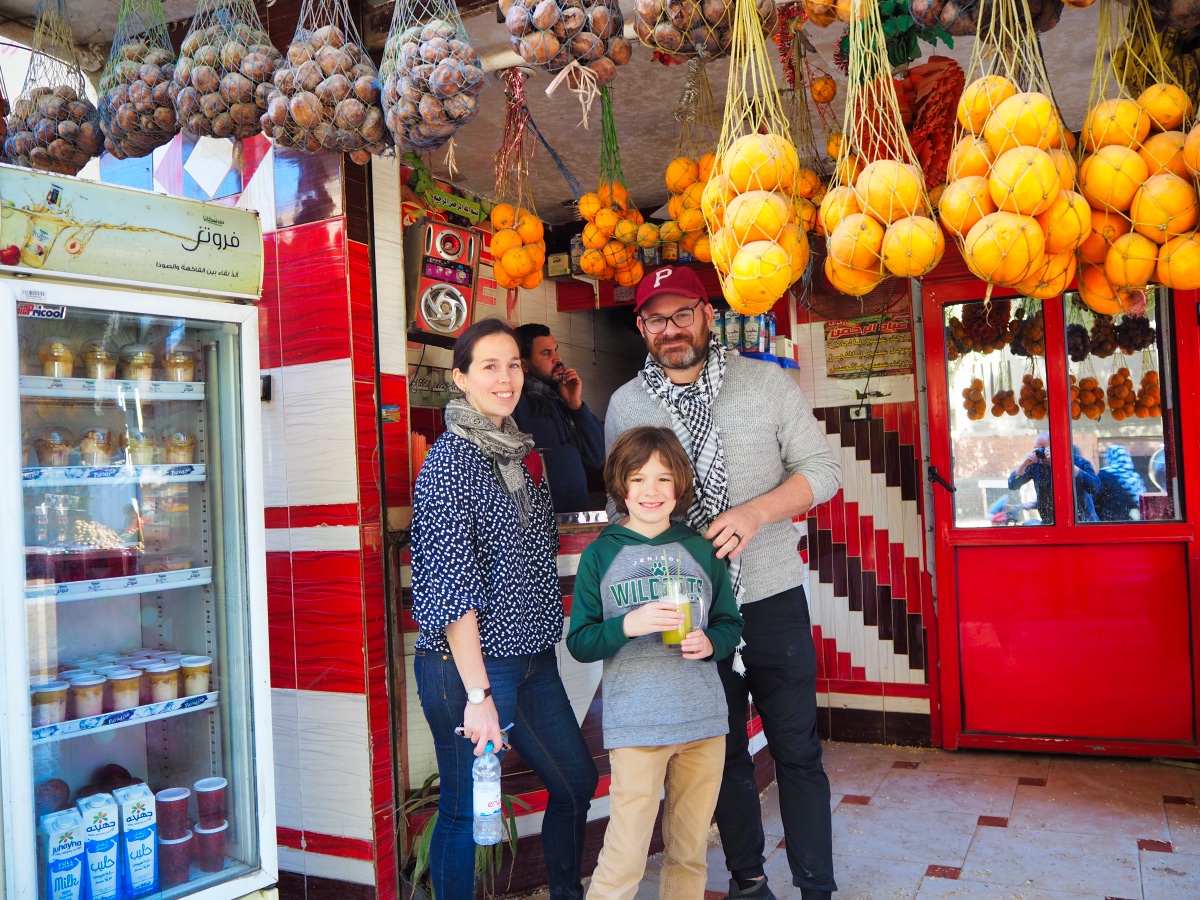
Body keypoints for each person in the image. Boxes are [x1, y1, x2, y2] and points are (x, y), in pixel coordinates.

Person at [605, 266, 843, 900]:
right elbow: (622, 512)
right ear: (641, 327)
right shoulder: (628, 405)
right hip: (692, 610)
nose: (671, 329)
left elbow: (824, 470)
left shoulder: (764, 384)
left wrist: (755, 512)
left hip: (769, 594)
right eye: (657, 319)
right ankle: (749, 881)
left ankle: (817, 888)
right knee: (725, 750)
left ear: (708, 316)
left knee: (795, 748)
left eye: (683, 314)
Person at [409, 318, 598, 900]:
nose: (506, 377)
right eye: (489, 366)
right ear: (459, 378)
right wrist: (478, 696)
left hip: (533, 658)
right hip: (469, 669)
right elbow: (449, 590)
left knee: (574, 783)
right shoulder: (450, 463)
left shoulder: (519, 451)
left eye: (514, 364)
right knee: (465, 814)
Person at [567, 427, 744, 899]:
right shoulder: (602, 554)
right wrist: (629, 624)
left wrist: (712, 643)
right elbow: (580, 642)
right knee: (624, 855)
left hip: (703, 723)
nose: (651, 491)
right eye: (639, 478)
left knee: (688, 853)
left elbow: (730, 622)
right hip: (638, 727)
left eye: (664, 479)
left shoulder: (700, 549)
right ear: (621, 485)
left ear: (679, 486)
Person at [513, 323, 606, 512]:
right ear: (524, 365)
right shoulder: (515, 402)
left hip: (576, 521)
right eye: (546, 353)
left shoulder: (559, 399)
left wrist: (576, 405)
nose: (558, 358)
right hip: (538, 527)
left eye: (555, 350)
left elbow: (597, 457)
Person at [1008, 432, 1100, 523]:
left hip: (1082, 523)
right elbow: (1012, 485)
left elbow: (1094, 487)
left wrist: (1063, 462)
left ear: (1056, 447)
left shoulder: (1078, 462)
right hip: (1050, 523)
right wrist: (1023, 464)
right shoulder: (1036, 464)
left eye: (1042, 449)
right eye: (1036, 449)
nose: (1039, 453)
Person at [1095, 444, 1145, 521]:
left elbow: (1095, 496)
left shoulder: (1105, 474)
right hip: (1135, 519)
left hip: (1111, 520)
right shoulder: (1136, 476)